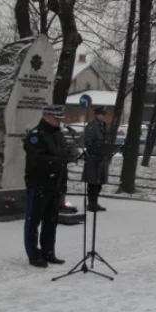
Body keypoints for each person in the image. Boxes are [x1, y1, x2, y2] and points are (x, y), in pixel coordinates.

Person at [23, 105, 71, 267]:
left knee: (51, 221)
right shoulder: (36, 136)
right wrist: (58, 160)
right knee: (33, 220)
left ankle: (48, 252)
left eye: (60, 119)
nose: (59, 122)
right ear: (46, 116)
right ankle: (33, 254)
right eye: (56, 118)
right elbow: (38, 160)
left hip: (55, 184)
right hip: (40, 184)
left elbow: (65, 155)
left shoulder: (58, 135)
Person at [82, 106, 112, 212]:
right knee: (92, 182)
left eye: (103, 114)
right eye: (100, 114)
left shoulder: (104, 126)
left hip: (102, 159)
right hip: (93, 159)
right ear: (96, 115)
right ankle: (91, 203)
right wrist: (97, 147)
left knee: (99, 183)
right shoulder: (91, 126)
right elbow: (87, 142)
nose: (102, 116)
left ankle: (95, 202)